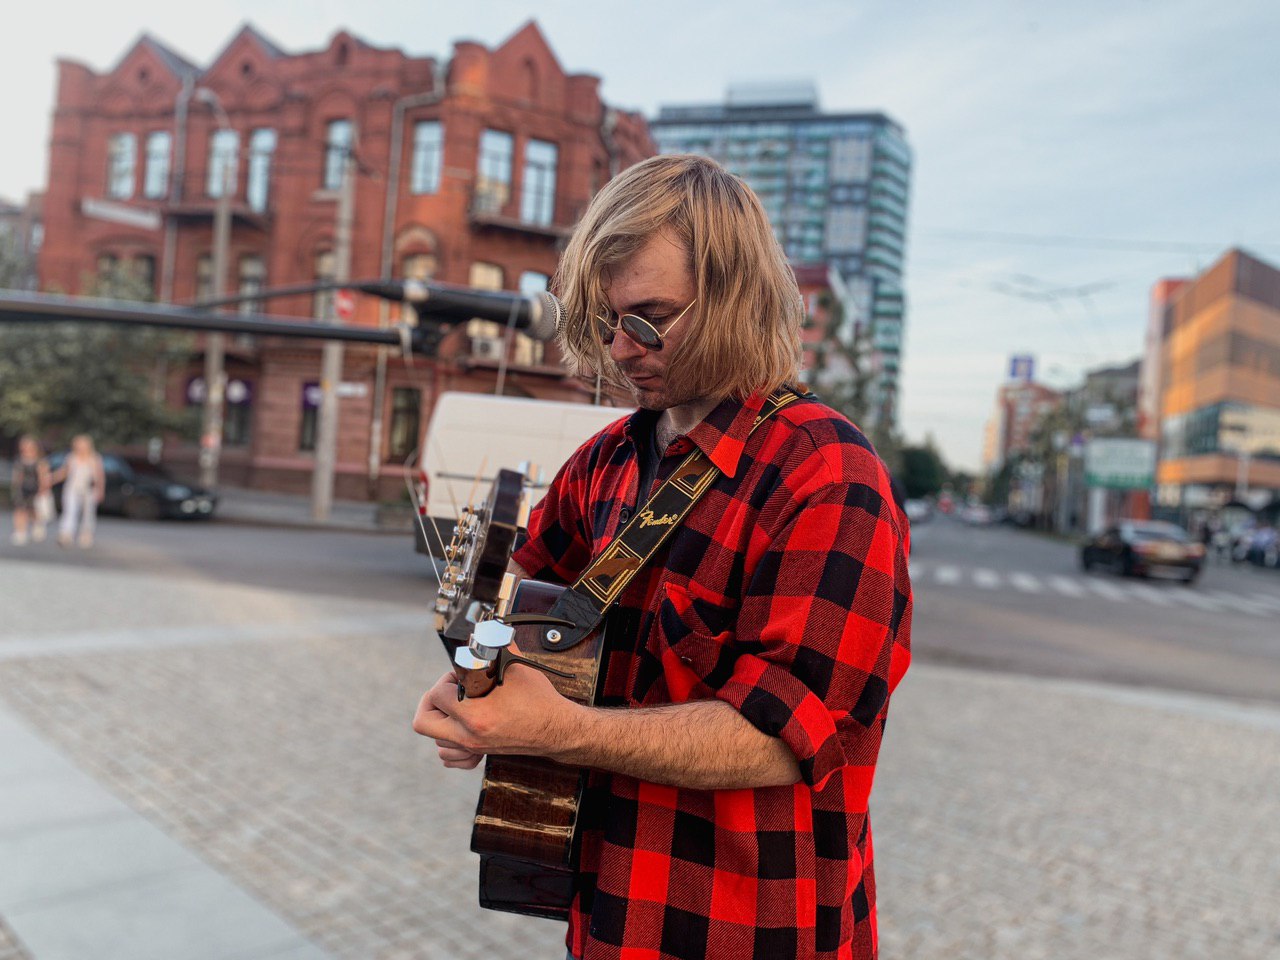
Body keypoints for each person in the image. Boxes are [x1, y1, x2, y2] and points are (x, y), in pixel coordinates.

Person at [413, 155, 913, 960]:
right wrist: (476, 687)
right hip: (606, 918)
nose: (621, 348)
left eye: (650, 318)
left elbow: (783, 738)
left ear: (734, 296)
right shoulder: (605, 461)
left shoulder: (827, 473)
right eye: (607, 320)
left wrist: (565, 732)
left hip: (751, 931)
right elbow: (520, 608)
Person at [52, 434, 105, 548]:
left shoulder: (95, 458)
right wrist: (51, 478)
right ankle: (66, 534)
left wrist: (101, 490)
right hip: (72, 488)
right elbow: (64, 472)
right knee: (69, 511)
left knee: (88, 513)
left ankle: (86, 535)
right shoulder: (71, 457)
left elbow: (100, 476)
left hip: (89, 489)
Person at [8, 435, 50, 545]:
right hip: (22, 489)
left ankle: (38, 525)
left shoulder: (40, 461)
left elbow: (43, 476)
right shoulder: (19, 460)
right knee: (19, 510)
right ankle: (20, 532)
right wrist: (15, 486)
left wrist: (43, 489)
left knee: (33, 510)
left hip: (35, 488)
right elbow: (17, 476)